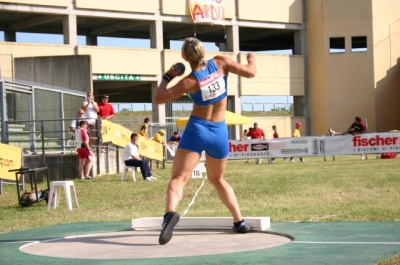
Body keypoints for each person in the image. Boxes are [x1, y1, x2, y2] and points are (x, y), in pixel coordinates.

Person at [154, 37, 256, 245]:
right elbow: (251, 72)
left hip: (197, 129)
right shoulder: (221, 63)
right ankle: (239, 221)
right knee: (218, 179)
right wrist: (252, 59)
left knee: (179, 179)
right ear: (203, 51)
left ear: (184, 57)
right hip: (219, 131)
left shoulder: (188, 81)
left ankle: (169, 216)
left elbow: (159, 97)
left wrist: (169, 75)